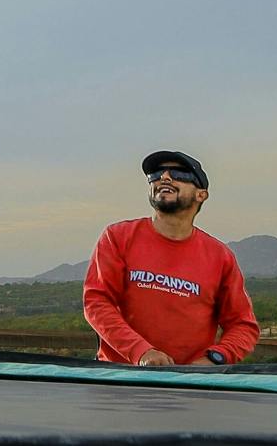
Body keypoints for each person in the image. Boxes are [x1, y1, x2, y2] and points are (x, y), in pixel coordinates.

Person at [82, 150, 259, 366]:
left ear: (201, 194)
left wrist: (214, 359)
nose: (164, 177)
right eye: (156, 174)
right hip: (119, 380)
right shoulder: (117, 237)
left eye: (179, 173)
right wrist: (142, 352)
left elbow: (243, 325)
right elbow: (97, 303)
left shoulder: (220, 257)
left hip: (187, 386)